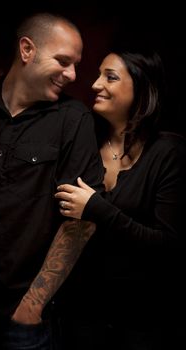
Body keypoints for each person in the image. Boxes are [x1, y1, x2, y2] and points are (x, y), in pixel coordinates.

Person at [0, 12, 105, 350]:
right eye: (63, 61)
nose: (72, 75)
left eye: (75, 65)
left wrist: (32, 305)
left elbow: (81, 221)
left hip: (19, 319)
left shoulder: (73, 119)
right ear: (27, 50)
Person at [55, 46, 186, 349]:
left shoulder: (168, 152)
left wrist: (97, 210)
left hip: (143, 320)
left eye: (109, 77)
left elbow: (170, 245)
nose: (95, 84)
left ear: (141, 87)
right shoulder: (86, 139)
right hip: (83, 314)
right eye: (99, 75)